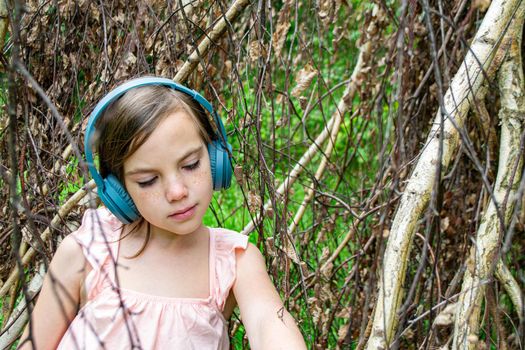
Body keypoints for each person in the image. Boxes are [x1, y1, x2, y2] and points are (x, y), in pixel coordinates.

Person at [19, 77, 306, 349]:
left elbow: (268, 322)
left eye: (191, 164)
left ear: (216, 158)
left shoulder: (232, 263)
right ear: (119, 190)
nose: (177, 191)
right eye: (147, 180)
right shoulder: (88, 252)